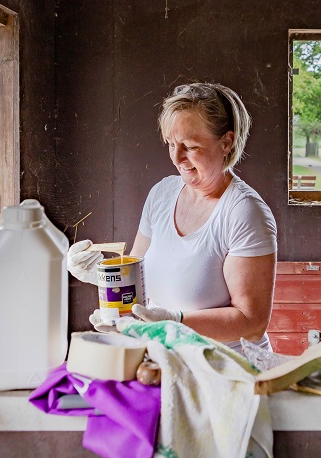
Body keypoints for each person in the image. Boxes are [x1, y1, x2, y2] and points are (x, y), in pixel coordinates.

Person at [67, 83, 277, 352]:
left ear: (226, 142)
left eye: (189, 146)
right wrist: (103, 276)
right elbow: (138, 280)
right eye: (171, 144)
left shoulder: (244, 212)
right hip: (166, 360)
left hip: (228, 369)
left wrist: (174, 321)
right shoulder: (162, 194)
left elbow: (251, 322)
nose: (177, 158)